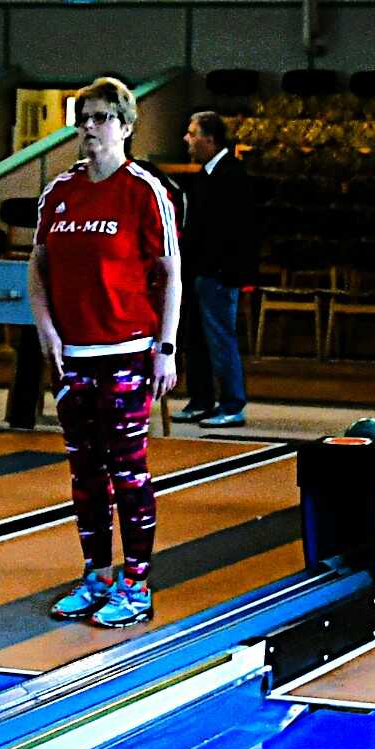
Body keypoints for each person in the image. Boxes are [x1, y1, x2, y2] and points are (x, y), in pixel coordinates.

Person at [29, 77, 183, 627]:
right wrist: (47, 330)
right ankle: (95, 574)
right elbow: (38, 268)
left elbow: (171, 274)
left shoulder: (144, 191)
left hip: (127, 350)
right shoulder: (59, 192)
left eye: (101, 118)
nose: (89, 128)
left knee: (128, 471)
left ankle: (135, 582)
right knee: (85, 473)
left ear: (125, 125)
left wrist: (166, 348)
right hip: (72, 355)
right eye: (83, 118)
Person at [175, 109, 258, 428]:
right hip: (201, 271)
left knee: (221, 339)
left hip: (219, 273)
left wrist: (227, 271)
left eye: (192, 133)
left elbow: (238, 230)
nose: (187, 138)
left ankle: (232, 404)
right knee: (196, 339)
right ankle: (201, 399)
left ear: (209, 139)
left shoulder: (231, 175)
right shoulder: (206, 175)